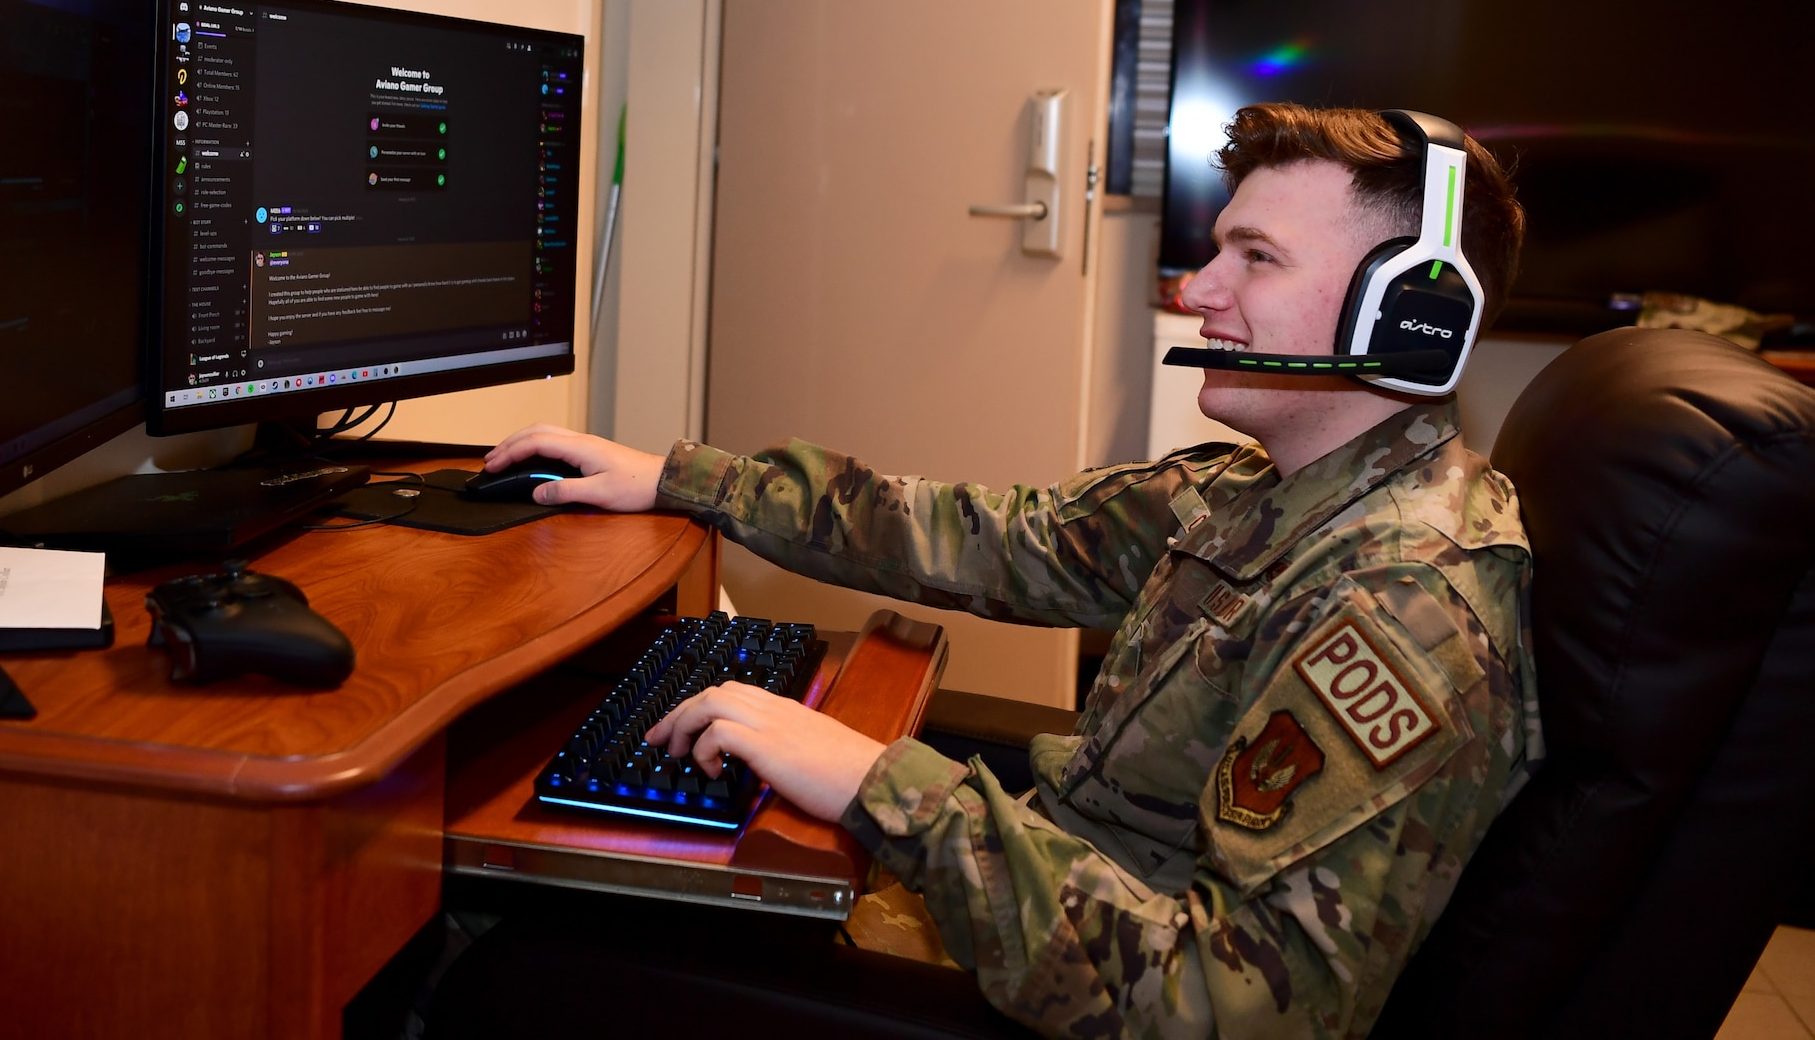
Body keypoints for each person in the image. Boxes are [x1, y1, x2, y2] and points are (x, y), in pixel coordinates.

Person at [487, 103, 1540, 1038]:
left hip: (1060, 992)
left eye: (1254, 257)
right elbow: (994, 536)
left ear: (1411, 315)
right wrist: (683, 477)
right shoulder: (1262, 492)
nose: (1195, 287)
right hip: (1035, 912)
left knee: (499, 944)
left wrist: (875, 780)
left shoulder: (1400, 599)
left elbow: (1231, 1010)